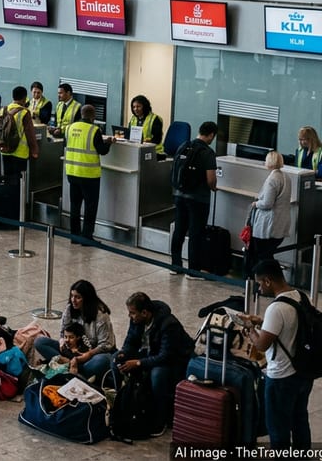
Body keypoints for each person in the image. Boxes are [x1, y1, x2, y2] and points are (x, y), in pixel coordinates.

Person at [242, 259, 314, 449]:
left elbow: (262, 344)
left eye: (259, 283)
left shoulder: (276, 308)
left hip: (282, 377)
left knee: (278, 427)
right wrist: (261, 321)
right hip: (303, 373)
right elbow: (288, 325)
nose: (259, 288)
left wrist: (249, 328)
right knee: (299, 421)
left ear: (267, 281)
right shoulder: (300, 296)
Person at [115, 291, 193, 435]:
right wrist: (123, 353)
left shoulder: (169, 325)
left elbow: (165, 356)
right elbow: (130, 341)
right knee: (116, 360)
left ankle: (160, 419)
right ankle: (122, 404)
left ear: (144, 313)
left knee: (157, 375)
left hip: (174, 361)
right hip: (150, 354)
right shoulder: (136, 320)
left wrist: (139, 363)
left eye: (132, 313)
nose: (130, 317)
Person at [33, 280, 116, 382]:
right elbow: (63, 331)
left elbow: (107, 344)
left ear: (87, 299)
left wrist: (89, 354)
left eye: (78, 297)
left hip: (91, 355)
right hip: (71, 352)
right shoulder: (69, 309)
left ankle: (66, 367)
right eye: (72, 296)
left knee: (102, 361)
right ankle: (71, 368)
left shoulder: (101, 315)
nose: (73, 300)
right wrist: (62, 340)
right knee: (40, 342)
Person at [169, 121, 218, 276]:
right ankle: (193, 271)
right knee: (196, 234)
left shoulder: (184, 146)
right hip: (198, 199)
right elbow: (210, 179)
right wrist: (213, 187)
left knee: (179, 231)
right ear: (211, 135)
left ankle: (176, 266)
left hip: (179, 195)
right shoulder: (208, 152)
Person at [64, 104, 112, 244]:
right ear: (93, 116)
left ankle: (74, 236)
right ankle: (87, 237)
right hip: (89, 174)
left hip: (72, 172)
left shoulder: (70, 128)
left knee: (75, 206)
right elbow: (102, 150)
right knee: (90, 207)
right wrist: (108, 142)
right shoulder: (94, 130)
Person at [248, 150, 292, 277]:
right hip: (281, 223)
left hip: (267, 226)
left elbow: (267, 203)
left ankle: (269, 280)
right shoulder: (286, 177)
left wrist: (256, 204)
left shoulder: (272, 179)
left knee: (263, 255)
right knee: (267, 254)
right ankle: (272, 280)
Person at [1, 85, 39, 179]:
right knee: (19, 182)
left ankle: (7, 194)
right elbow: (30, 133)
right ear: (24, 98)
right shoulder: (24, 112)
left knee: (7, 178)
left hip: (5, 149)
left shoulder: (3, 110)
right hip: (19, 153)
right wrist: (34, 150)